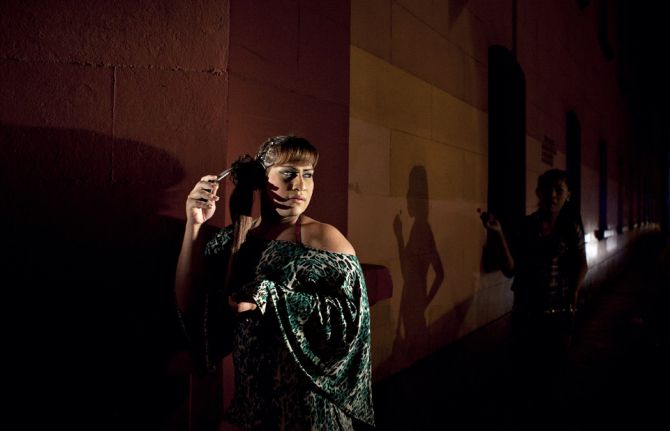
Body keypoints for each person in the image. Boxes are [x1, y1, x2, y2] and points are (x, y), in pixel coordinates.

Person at [175, 136, 375, 430]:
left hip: (308, 412)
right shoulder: (238, 240)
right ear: (261, 178)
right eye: (289, 173)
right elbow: (191, 303)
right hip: (251, 408)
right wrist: (193, 225)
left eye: (308, 174)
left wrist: (272, 297)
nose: (300, 184)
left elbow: (352, 321)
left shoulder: (325, 239)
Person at [481, 169, 588, 363]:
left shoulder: (571, 227)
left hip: (559, 313)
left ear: (568, 195)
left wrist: (574, 293)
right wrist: (498, 234)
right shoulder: (526, 226)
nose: (553, 195)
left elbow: (582, 264)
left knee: (555, 369)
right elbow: (510, 270)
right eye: (547, 189)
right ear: (538, 192)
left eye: (559, 190)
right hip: (526, 313)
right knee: (526, 371)